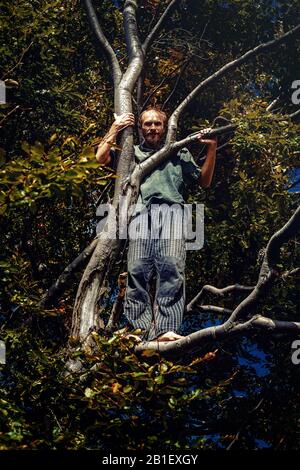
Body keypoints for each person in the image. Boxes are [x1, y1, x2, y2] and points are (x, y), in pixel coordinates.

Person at [96, 108, 217, 342]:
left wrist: (211, 147)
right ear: (141, 128)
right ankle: (137, 330)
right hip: (140, 215)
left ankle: (165, 329)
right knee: (137, 271)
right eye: (147, 124)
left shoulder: (178, 152)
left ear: (164, 128)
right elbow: (100, 157)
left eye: (157, 124)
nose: (152, 128)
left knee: (172, 268)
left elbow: (204, 180)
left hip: (173, 213)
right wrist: (116, 127)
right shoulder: (131, 154)